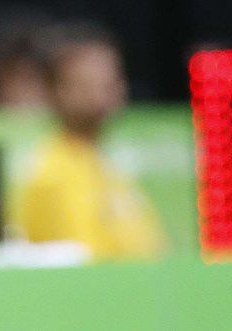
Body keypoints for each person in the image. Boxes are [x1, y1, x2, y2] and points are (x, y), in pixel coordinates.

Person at [14, 24, 164, 261]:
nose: (104, 91)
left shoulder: (105, 165)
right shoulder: (52, 174)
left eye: (111, 79)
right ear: (55, 90)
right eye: (86, 82)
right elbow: (86, 264)